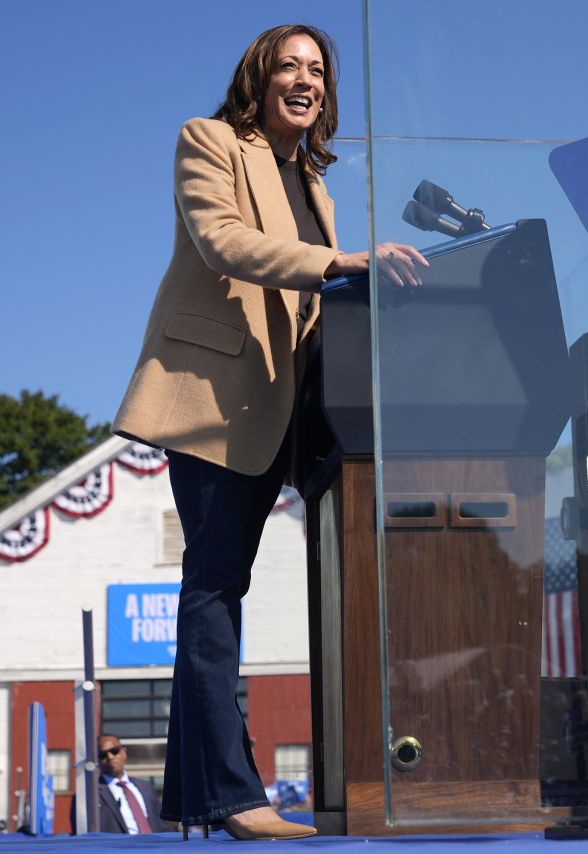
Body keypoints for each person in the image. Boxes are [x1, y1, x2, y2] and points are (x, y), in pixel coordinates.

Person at [112, 23, 426, 841]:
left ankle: (198, 799)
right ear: (258, 77)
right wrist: (345, 262)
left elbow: (311, 303)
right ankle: (235, 796)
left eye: (318, 70)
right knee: (213, 591)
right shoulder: (209, 141)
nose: (306, 79)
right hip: (213, 399)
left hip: (283, 413)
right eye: (289, 65)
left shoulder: (311, 185)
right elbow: (222, 243)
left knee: (218, 589)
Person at [69, 734, 166, 835]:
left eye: (114, 751)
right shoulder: (88, 795)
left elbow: (162, 826)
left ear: (124, 752)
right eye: (102, 755)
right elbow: (81, 833)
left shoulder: (146, 787)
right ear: (97, 760)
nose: (110, 757)